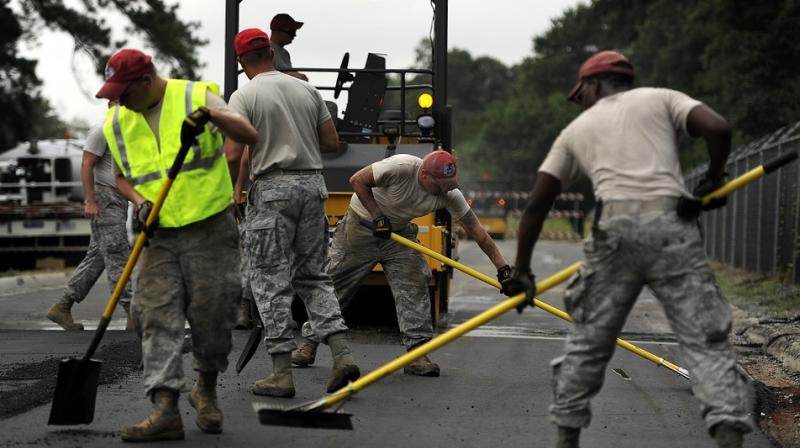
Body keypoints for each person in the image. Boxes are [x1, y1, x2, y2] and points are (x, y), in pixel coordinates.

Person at [501, 51, 752, 448]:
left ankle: (567, 437)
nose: (579, 102)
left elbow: (535, 207)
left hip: (613, 232)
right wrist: (715, 177)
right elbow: (718, 128)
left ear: (595, 85)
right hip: (672, 226)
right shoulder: (663, 98)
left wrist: (523, 273)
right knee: (705, 340)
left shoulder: (575, 130)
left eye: (579, 93)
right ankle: (727, 432)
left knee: (588, 341)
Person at [96, 48, 258, 441]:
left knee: (213, 313)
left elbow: (249, 135)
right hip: (158, 233)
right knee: (155, 314)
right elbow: (121, 176)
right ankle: (165, 408)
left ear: (146, 81)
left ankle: (205, 388)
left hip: (210, 227)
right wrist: (139, 201)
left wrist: (211, 117)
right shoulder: (117, 120)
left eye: (123, 91)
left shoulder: (195, 96)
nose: (116, 100)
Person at [225, 28, 360, 398]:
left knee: (270, 280)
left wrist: (233, 190)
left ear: (241, 61)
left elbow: (234, 153)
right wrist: (297, 140)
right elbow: (331, 142)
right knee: (314, 276)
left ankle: (281, 374)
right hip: (312, 186)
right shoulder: (306, 90)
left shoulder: (244, 95)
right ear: (271, 52)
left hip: (271, 191)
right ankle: (342, 355)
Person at [292, 150, 511, 377]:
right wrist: (378, 215)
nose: (446, 189)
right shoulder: (401, 167)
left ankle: (417, 354)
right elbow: (357, 180)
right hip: (360, 229)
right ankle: (309, 343)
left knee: (414, 281)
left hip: (398, 234)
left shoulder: (449, 193)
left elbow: (477, 231)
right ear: (425, 175)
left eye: (450, 184)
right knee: (335, 285)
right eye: (441, 185)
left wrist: (503, 269)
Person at [46, 114, 133, 331]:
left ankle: (62, 306)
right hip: (105, 199)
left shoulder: (127, 130)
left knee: (97, 258)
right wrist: (90, 201)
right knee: (118, 254)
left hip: (118, 199)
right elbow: (86, 164)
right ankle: (134, 312)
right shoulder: (101, 130)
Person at [268, 13, 308, 81]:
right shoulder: (266, 50)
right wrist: (294, 76)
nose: (294, 35)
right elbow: (265, 76)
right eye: (291, 31)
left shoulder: (285, 53)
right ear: (278, 31)